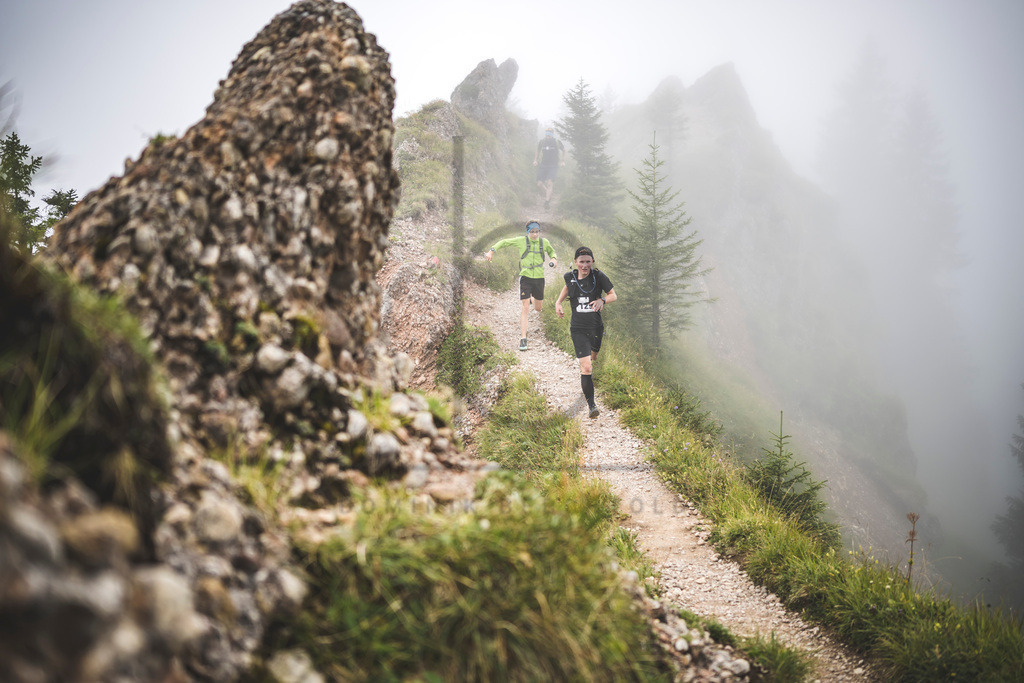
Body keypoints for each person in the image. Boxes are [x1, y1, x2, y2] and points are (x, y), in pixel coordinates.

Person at [555, 246, 617, 418]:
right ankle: (592, 406)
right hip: (578, 329)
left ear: (592, 261)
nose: (585, 265)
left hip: (596, 327)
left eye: (588, 262)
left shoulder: (599, 276)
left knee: (594, 357)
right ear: (576, 262)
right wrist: (558, 303)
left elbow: (613, 295)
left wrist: (602, 300)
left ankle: (591, 357)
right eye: (581, 262)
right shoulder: (570, 277)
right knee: (587, 367)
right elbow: (567, 288)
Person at [485, 220, 558, 351]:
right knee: (525, 308)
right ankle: (523, 338)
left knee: (538, 308)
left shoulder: (544, 242)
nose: (534, 234)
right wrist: (492, 250)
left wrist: (554, 260)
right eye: (532, 232)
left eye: (536, 232)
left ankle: (531, 299)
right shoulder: (521, 241)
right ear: (527, 232)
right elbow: (504, 242)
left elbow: (552, 253)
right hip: (526, 277)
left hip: (539, 278)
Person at [533, 127, 565, 209]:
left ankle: (547, 202)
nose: (548, 135)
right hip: (543, 165)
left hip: (553, 165)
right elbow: (537, 150)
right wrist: (535, 160)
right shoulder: (542, 142)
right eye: (547, 134)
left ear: (552, 134)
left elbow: (564, 150)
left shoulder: (556, 142)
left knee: (550, 183)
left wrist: (563, 161)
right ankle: (549, 194)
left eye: (549, 134)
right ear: (545, 134)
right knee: (539, 184)